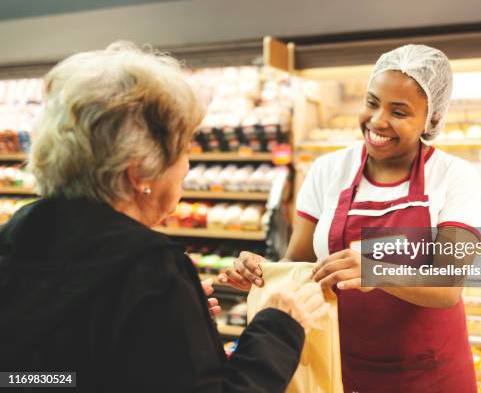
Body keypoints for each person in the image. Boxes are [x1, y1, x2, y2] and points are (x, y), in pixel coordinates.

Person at [0, 42, 328, 392]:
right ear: (139, 171)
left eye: (397, 110)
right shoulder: (149, 268)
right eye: (184, 150)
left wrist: (177, 321)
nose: (187, 168)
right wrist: (277, 327)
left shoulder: (15, 234)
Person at [222, 45, 481, 392]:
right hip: (337, 366)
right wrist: (265, 272)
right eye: (372, 102)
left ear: (432, 118)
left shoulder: (453, 176)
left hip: (427, 374)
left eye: (399, 112)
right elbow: (299, 265)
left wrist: (374, 270)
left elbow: (448, 285)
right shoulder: (328, 170)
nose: (377, 121)